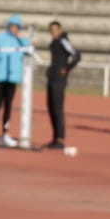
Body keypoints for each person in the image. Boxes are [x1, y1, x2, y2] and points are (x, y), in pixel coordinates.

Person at [0, 14, 30, 148]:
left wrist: (22, 39)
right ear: (8, 26)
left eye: (16, 27)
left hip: (13, 77)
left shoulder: (20, 40)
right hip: (0, 76)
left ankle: (5, 134)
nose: (14, 29)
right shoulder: (0, 38)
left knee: (8, 106)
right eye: (12, 26)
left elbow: (30, 50)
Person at [45, 21, 80, 150]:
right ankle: (55, 137)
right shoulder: (53, 43)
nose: (53, 32)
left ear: (60, 29)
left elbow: (77, 55)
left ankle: (60, 138)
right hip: (52, 78)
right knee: (51, 107)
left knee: (58, 108)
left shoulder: (64, 41)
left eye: (55, 29)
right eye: (51, 30)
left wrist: (67, 68)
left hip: (59, 80)